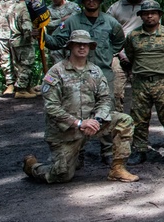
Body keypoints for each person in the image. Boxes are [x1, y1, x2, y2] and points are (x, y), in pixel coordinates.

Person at [23, 30, 138, 183]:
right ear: (70, 46)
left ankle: (118, 169)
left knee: (124, 120)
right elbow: (51, 107)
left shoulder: (95, 71)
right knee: (61, 174)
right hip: (66, 131)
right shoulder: (56, 72)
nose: (82, 48)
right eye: (78, 44)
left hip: (91, 124)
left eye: (85, 44)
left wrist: (97, 119)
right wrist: (78, 123)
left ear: (90, 47)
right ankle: (32, 166)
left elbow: (104, 99)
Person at [124, 0, 164, 163]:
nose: (149, 16)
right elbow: (130, 55)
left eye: (153, 13)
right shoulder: (133, 36)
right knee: (139, 118)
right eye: (145, 13)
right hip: (140, 83)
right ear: (141, 16)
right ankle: (140, 150)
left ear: (159, 15)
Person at [45, 0, 125, 103]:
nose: (91, 1)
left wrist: (107, 53)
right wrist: (42, 36)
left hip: (103, 73)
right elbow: (56, 42)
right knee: (78, 107)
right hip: (76, 74)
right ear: (82, 1)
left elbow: (119, 41)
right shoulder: (72, 21)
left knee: (107, 107)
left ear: (100, 1)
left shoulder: (110, 22)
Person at [107, 0, 147, 109]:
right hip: (119, 53)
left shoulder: (149, 7)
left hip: (141, 54)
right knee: (116, 92)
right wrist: (119, 52)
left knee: (143, 94)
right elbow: (108, 31)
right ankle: (118, 125)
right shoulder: (115, 8)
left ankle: (139, 126)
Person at [10, 0, 38, 98]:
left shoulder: (13, 7)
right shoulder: (25, 8)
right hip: (23, 41)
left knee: (20, 65)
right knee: (27, 64)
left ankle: (27, 87)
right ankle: (21, 89)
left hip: (15, 40)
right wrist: (30, 35)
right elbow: (26, 25)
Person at [46, 0, 80, 65]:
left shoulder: (73, 6)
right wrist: (61, 20)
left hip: (71, 40)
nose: (53, 0)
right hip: (55, 41)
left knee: (72, 64)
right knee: (58, 65)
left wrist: (61, 21)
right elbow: (48, 24)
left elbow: (76, 19)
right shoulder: (48, 10)